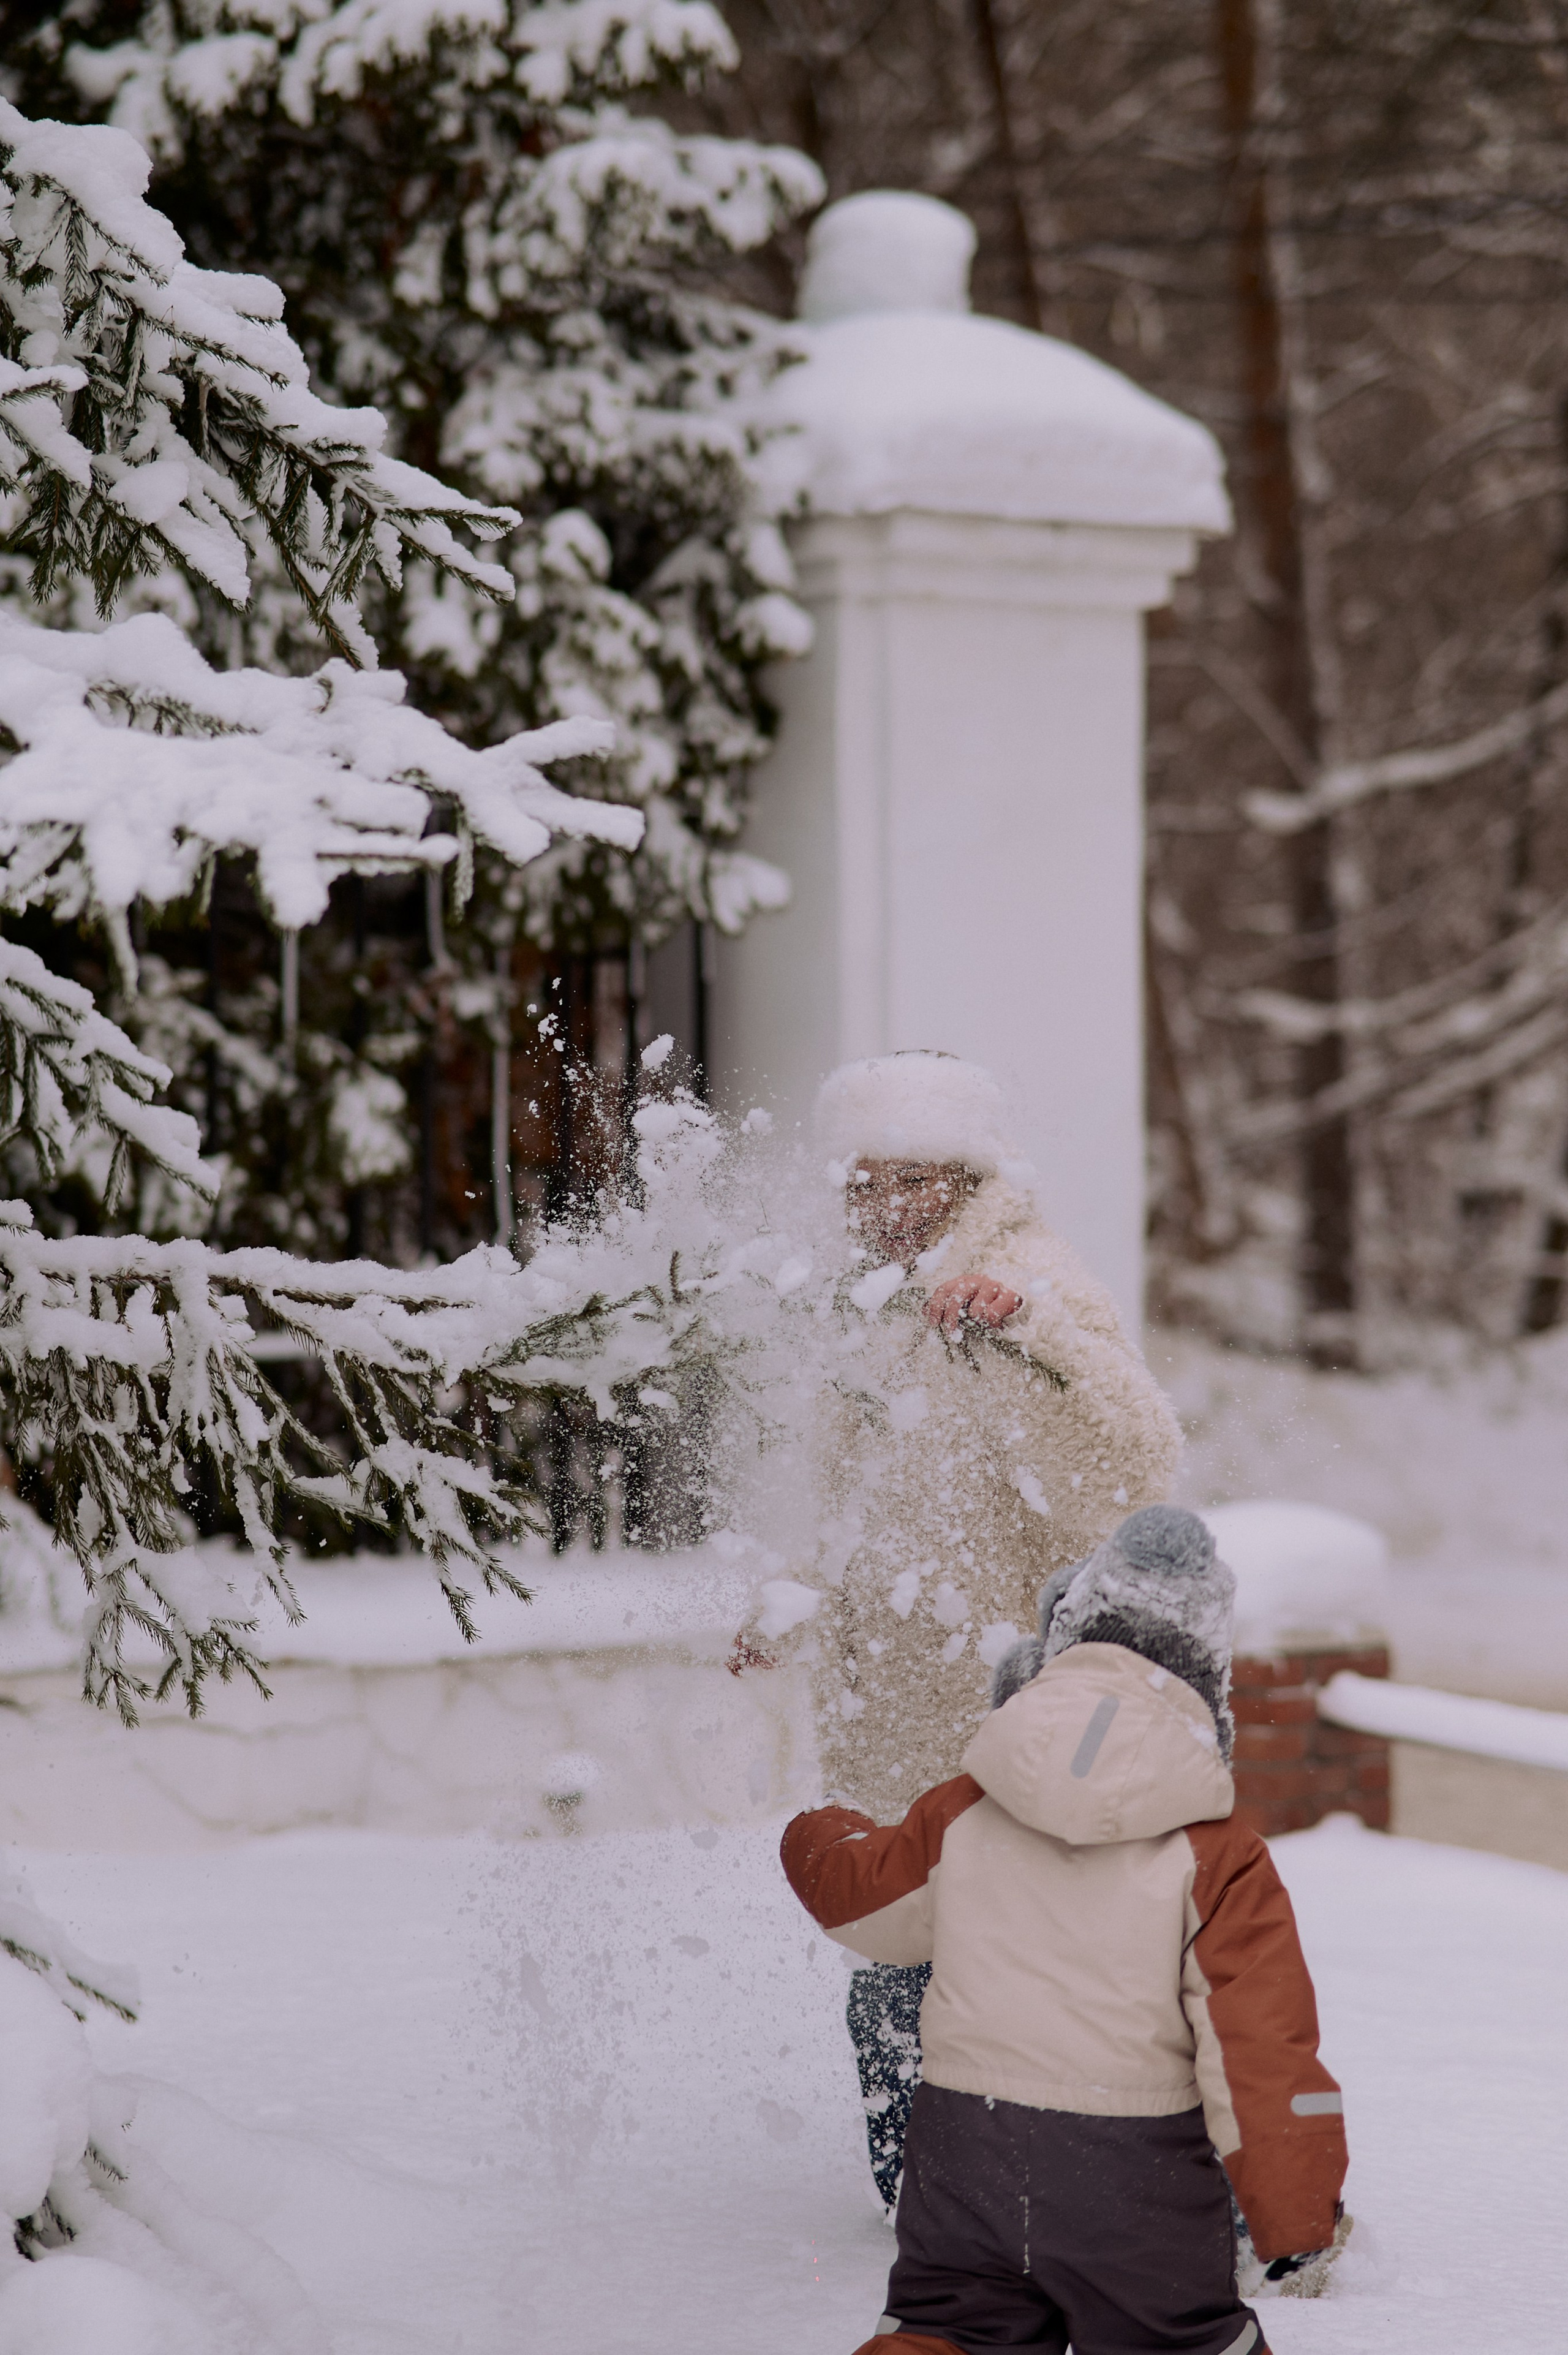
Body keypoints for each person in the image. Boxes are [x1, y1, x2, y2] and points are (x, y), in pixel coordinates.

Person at [742, 1050, 1183, 2207]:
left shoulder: (1028, 1278)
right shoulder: (883, 1307)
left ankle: (1014, 2204)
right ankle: (930, 2203)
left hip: (1002, 1713)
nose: (877, 1208)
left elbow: (1141, 1450)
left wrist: (1031, 1330)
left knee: (999, 1968)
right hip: (894, 1707)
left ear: (964, 1178)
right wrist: (794, 1592)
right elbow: (856, 1488)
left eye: (906, 1183)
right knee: (898, 1958)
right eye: (861, 1183)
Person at [781, 1505, 1351, 2355]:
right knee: (1180, 2338)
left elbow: (865, 1907)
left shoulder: (964, 1809)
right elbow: (1261, 2046)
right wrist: (1297, 2209)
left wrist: (819, 1833)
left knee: (952, 2327)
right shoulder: (1219, 1856)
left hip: (963, 2160)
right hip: (1136, 2182)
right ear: (1205, 1689)